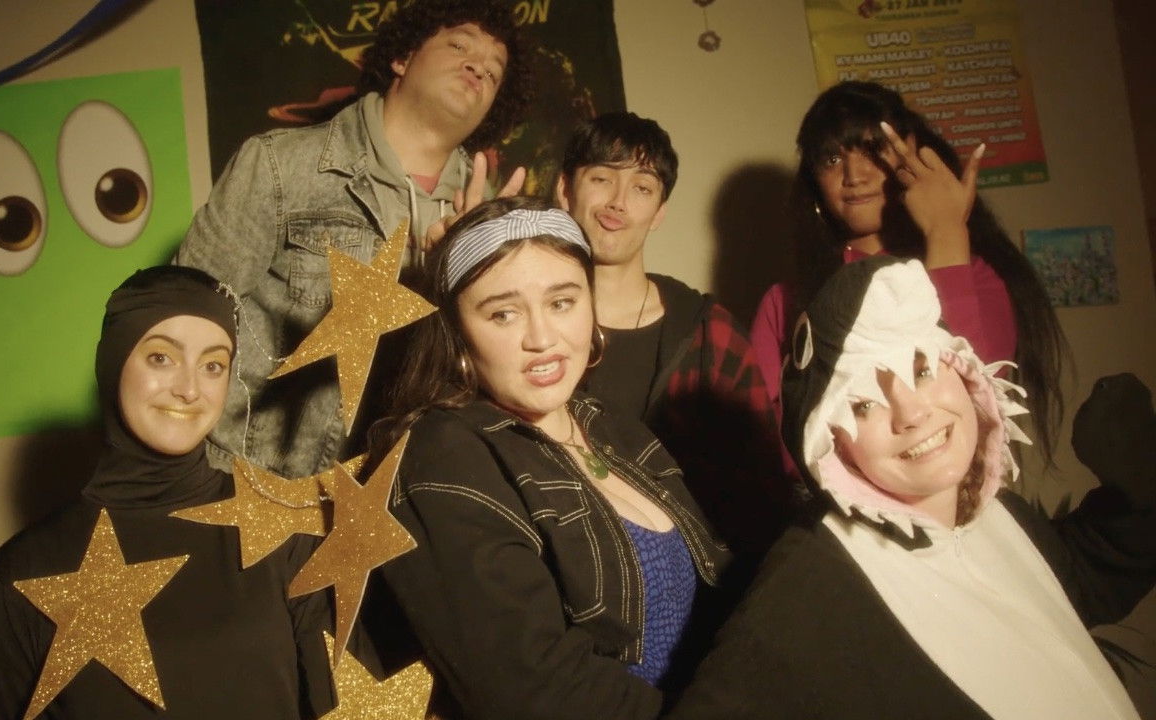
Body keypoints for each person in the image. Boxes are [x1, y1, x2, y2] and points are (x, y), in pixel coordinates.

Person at [668, 257, 1155, 719]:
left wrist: (1138, 487)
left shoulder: (994, 508)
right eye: (864, 404)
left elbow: (1071, 590)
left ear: (963, 372)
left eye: (921, 370)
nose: (912, 414)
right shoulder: (811, 583)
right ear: (833, 443)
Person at [373, 196, 731, 719]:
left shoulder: (609, 423)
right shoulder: (441, 455)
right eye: (503, 313)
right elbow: (533, 690)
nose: (542, 339)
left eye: (562, 302)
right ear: (457, 333)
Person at [0, 266, 339, 718]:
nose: (189, 389)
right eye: (161, 358)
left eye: (213, 365)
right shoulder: (20, 572)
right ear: (114, 361)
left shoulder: (284, 528)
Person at [176, 0, 533, 478]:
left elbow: (487, 371)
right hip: (255, 485)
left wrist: (467, 274)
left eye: (493, 71)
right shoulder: (281, 167)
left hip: (404, 494)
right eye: (458, 46)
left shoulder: (488, 214)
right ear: (402, 57)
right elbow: (183, 316)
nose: (477, 68)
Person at [749, 81, 1068, 464]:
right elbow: (770, 442)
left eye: (873, 150)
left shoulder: (970, 272)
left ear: (910, 155)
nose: (854, 175)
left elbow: (977, 402)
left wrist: (946, 231)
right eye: (831, 159)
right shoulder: (783, 302)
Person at [556, 111, 791, 554]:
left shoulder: (709, 334)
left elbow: (763, 495)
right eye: (602, 179)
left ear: (659, 211)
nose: (618, 202)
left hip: (700, 574)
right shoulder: (534, 333)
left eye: (642, 188)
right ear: (565, 189)